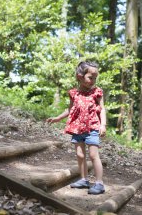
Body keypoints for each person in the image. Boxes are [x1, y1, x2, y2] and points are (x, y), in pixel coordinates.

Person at [46, 61, 106, 195]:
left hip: (92, 128)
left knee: (93, 155)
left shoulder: (97, 92)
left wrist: (103, 125)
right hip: (77, 128)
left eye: (95, 78)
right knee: (80, 155)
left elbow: (102, 109)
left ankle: (99, 183)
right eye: (91, 77)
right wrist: (58, 118)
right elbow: (70, 109)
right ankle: (84, 180)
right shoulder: (74, 93)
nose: (93, 81)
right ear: (80, 77)